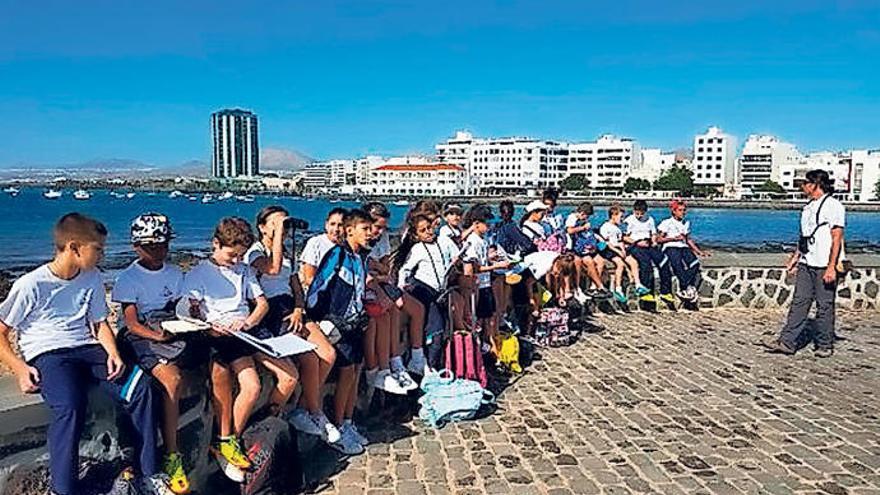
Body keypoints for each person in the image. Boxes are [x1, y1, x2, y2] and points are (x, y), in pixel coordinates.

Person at [0, 213, 171, 495]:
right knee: (69, 405)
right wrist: (19, 368)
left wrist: (113, 352)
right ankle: (63, 489)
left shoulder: (91, 277)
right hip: (49, 354)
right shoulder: (31, 284)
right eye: (98, 249)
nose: (103, 255)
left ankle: (147, 473)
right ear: (74, 247)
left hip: (87, 349)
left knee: (140, 387)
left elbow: (99, 322)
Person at [183, 217, 297, 481]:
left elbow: (261, 304)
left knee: (253, 386)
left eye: (240, 255)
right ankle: (226, 440)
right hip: (216, 334)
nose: (236, 260)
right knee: (243, 382)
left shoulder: (244, 270)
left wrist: (248, 322)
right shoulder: (199, 273)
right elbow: (189, 308)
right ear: (215, 244)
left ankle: (230, 439)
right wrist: (207, 324)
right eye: (231, 254)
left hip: (242, 333)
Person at [245, 206, 340, 445]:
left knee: (327, 354)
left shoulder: (286, 251)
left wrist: (299, 308)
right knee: (307, 359)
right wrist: (277, 234)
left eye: (284, 224)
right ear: (262, 227)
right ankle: (309, 412)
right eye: (276, 223)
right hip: (271, 311)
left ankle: (307, 408)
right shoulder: (254, 252)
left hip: (290, 307)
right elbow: (273, 269)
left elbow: (295, 284)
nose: (283, 229)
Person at [111, 213, 192, 494]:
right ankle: (171, 453)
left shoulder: (174, 273)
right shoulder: (128, 278)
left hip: (170, 328)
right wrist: (158, 336)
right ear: (137, 247)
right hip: (141, 336)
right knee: (172, 379)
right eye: (151, 246)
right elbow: (131, 323)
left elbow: (177, 306)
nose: (158, 251)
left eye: (162, 245)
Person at [305, 209, 373, 455]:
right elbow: (317, 288)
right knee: (345, 373)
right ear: (350, 230)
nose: (370, 234)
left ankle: (348, 421)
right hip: (336, 323)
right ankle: (338, 424)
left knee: (354, 372)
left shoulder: (359, 258)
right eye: (365, 229)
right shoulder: (337, 255)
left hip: (353, 323)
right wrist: (317, 318)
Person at [763, 170, 845, 357]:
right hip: (807, 261)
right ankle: (787, 341)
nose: (803, 186)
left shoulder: (833, 206)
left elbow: (837, 237)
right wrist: (795, 257)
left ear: (816, 184)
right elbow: (805, 236)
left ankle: (824, 344)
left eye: (806, 183)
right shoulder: (808, 207)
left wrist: (831, 266)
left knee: (824, 305)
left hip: (824, 263)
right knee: (800, 302)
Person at [362, 202, 420, 393]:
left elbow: (385, 269)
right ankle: (380, 370)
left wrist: (375, 268)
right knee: (380, 316)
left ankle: (394, 362)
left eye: (382, 228)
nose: (379, 232)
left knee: (396, 309)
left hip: (379, 284)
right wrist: (376, 270)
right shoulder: (360, 242)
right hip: (367, 290)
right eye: (377, 227)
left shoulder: (382, 238)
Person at [394, 213, 455, 373]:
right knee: (435, 332)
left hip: (440, 292)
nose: (428, 232)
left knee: (442, 331)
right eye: (423, 230)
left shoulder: (442, 243)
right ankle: (429, 367)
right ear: (416, 235)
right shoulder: (418, 249)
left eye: (429, 228)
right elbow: (405, 269)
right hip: (425, 292)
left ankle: (432, 365)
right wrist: (401, 288)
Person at [462, 205, 509, 355]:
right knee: (481, 320)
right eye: (486, 224)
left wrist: (490, 259)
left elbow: (481, 261)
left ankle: (488, 347)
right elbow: (473, 268)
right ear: (476, 224)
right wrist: (497, 265)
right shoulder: (473, 241)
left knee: (489, 317)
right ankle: (482, 349)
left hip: (486, 283)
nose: (489, 227)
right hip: (479, 285)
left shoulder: (482, 240)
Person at [623, 200, 676, 307]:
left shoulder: (650, 219)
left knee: (663, 262)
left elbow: (653, 233)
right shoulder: (629, 220)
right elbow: (624, 236)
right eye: (637, 213)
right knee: (645, 264)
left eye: (641, 213)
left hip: (648, 244)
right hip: (636, 245)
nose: (639, 216)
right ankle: (646, 292)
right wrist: (637, 242)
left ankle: (665, 291)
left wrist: (654, 242)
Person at [656, 200, 709, 303]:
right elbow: (659, 239)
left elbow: (688, 239)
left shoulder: (685, 223)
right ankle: (686, 288)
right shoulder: (666, 223)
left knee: (694, 264)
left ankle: (686, 288)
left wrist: (699, 251)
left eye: (684, 210)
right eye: (680, 210)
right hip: (670, 247)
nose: (683, 213)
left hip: (683, 247)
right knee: (678, 266)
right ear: (674, 211)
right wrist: (673, 239)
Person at [599, 204, 650, 303]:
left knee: (633, 262)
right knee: (620, 264)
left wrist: (623, 251)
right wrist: (617, 251)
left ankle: (638, 284)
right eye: (620, 217)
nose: (622, 219)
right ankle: (618, 289)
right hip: (610, 250)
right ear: (613, 215)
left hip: (618, 248)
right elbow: (607, 243)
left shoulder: (619, 228)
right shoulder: (606, 227)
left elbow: (620, 241)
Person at [564, 202, 611, 300]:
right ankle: (600, 287)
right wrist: (583, 227)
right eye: (586, 216)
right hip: (576, 250)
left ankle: (593, 287)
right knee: (588, 262)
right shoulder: (572, 218)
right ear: (582, 213)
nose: (586, 218)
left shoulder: (583, 221)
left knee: (600, 261)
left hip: (587, 248)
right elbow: (569, 231)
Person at [299, 207, 346, 289]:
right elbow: (309, 278)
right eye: (332, 224)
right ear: (326, 225)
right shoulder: (316, 243)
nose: (336, 229)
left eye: (340, 225)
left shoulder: (348, 247)